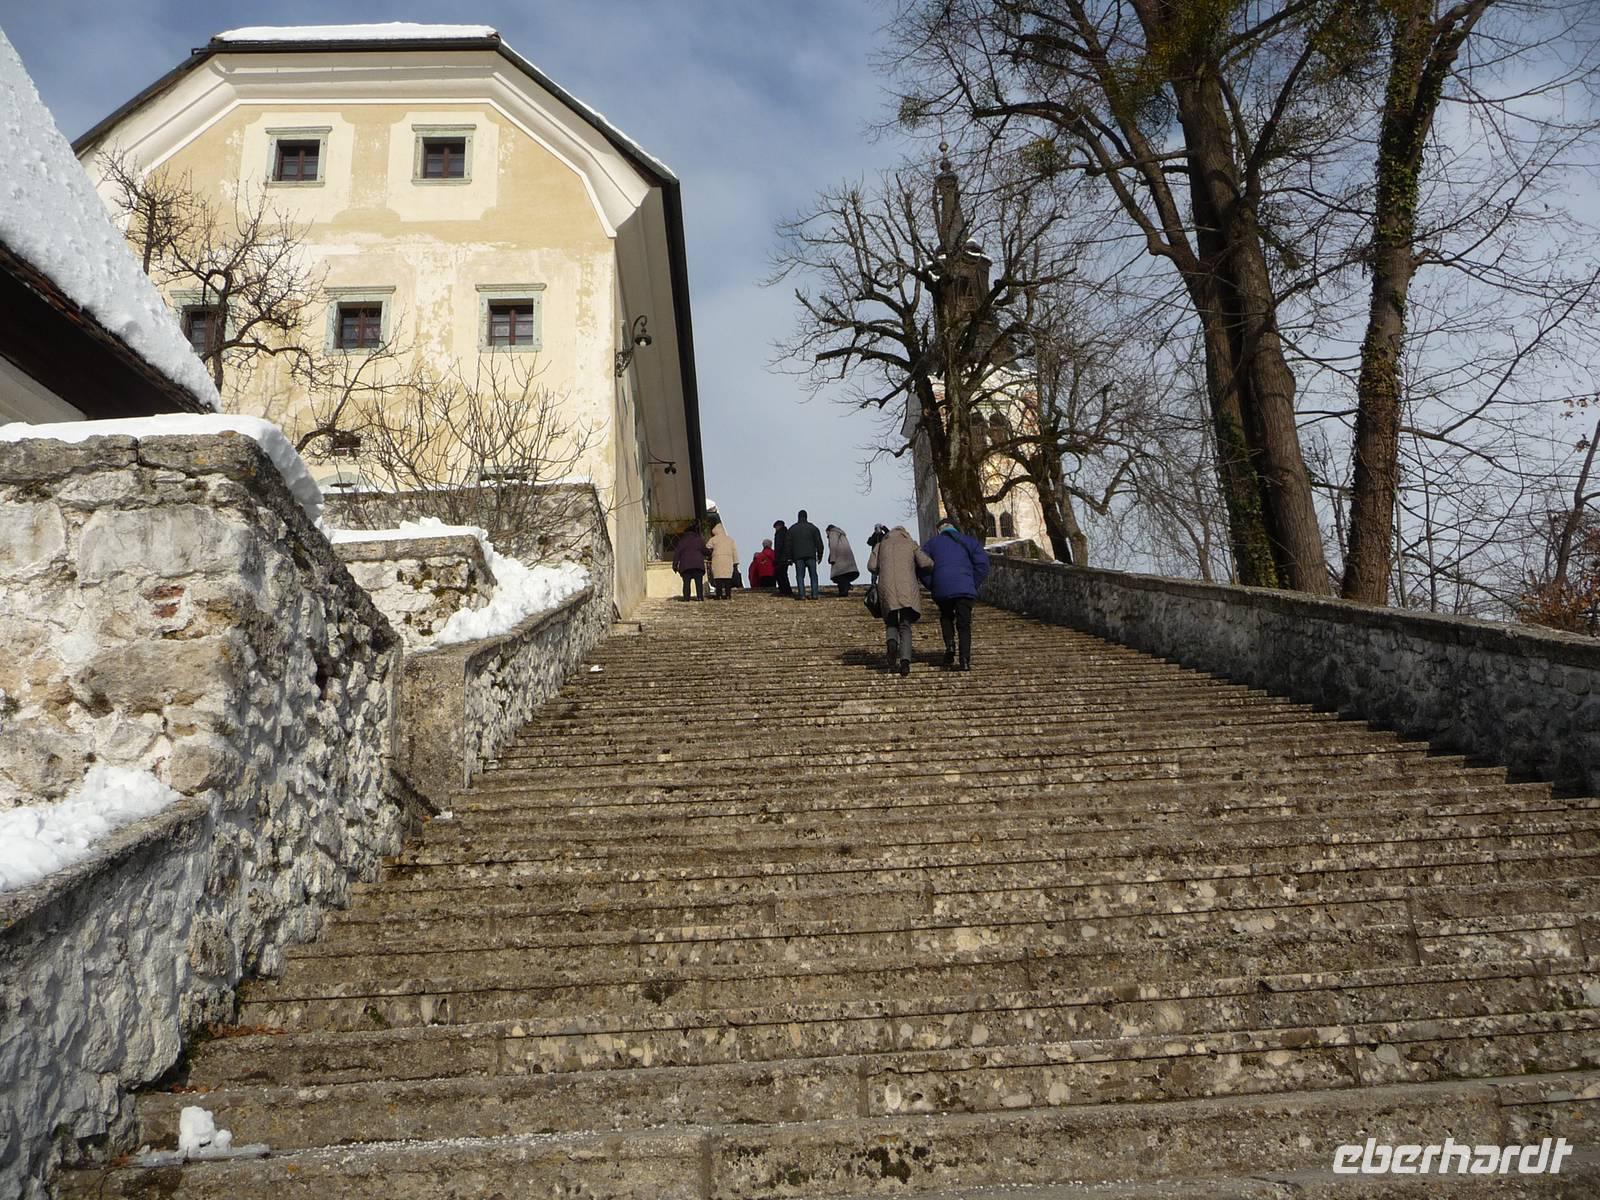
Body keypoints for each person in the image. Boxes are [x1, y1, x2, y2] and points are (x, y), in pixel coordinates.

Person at [920, 518, 991, 671]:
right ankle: (964, 660)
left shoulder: (932, 544)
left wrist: (932, 584)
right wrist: (972, 582)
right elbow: (983, 565)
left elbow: (922, 566)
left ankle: (950, 646)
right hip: (965, 588)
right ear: (955, 528)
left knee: (946, 617)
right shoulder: (969, 542)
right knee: (964, 624)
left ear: (938, 530)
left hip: (942, 587)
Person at [867, 525, 933, 676]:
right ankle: (905, 662)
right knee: (905, 625)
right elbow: (924, 562)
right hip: (907, 589)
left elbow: (871, 566)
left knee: (891, 621)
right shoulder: (910, 543)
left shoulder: (881, 545)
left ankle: (891, 642)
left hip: (887, 588)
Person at [788, 509, 825, 600]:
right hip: (811, 555)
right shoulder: (813, 528)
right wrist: (820, 555)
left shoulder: (792, 529)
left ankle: (802, 595)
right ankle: (815, 594)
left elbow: (788, 544)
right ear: (806, 517)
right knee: (813, 575)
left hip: (798, 556)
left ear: (798, 517)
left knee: (800, 576)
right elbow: (819, 543)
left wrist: (789, 557)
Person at [672, 523, 707, 601]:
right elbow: (705, 551)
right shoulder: (699, 540)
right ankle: (700, 597)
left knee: (686, 583)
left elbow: (677, 553)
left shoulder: (682, 541)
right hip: (698, 565)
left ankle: (686, 598)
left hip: (685, 566)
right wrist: (711, 552)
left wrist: (675, 565)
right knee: (699, 583)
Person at [706, 522, 739, 600]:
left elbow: (707, 547)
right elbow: (734, 551)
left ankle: (719, 595)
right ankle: (728, 595)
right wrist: (735, 562)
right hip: (728, 561)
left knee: (718, 579)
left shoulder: (713, 539)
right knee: (727, 579)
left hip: (717, 561)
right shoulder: (730, 539)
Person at [825, 524, 860, 596]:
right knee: (844, 576)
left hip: (839, 558)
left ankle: (844, 591)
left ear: (828, 530)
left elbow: (833, 546)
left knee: (839, 576)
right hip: (847, 558)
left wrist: (832, 558)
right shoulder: (841, 534)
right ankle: (846, 588)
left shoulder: (833, 533)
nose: (826, 536)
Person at [772, 520, 794, 596]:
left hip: (781, 558)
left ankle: (785, 590)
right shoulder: (786, 533)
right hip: (785, 558)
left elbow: (779, 546)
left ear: (778, 526)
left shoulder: (780, 534)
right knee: (782, 574)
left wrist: (776, 558)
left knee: (781, 574)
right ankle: (785, 590)